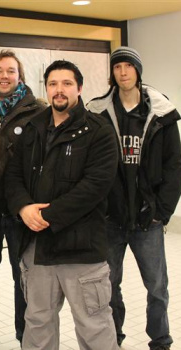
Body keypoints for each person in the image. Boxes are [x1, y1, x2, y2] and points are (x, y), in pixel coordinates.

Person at [5, 60, 119, 349]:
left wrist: (47, 215)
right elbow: (13, 175)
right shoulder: (32, 128)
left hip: (82, 251)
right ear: (46, 88)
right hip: (38, 248)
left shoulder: (99, 131)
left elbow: (95, 186)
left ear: (79, 88)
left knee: (94, 326)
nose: (59, 90)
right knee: (38, 324)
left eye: (67, 83)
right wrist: (23, 208)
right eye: (53, 84)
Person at [87, 47, 181, 350]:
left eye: (128, 66)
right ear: (112, 73)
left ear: (138, 70)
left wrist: (161, 211)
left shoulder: (161, 114)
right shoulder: (98, 112)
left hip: (147, 218)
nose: (123, 72)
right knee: (108, 285)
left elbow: (174, 165)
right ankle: (113, 339)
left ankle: (161, 342)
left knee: (156, 287)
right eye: (117, 67)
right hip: (110, 218)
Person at [0, 49, 46, 343]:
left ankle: (25, 338)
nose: (4, 76)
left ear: (20, 76)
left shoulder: (38, 111)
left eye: (11, 71)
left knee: (24, 279)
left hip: (20, 211)